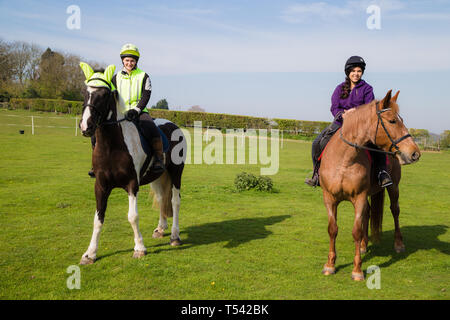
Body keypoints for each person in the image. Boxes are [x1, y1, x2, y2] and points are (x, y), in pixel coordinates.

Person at [305, 56, 393, 188]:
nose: (356, 74)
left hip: (361, 127)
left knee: (376, 145)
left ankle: (382, 172)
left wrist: (355, 112)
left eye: (359, 71)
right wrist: (343, 115)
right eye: (353, 71)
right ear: (348, 72)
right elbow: (334, 107)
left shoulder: (367, 89)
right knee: (317, 142)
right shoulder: (339, 88)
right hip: (341, 123)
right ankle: (317, 174)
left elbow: (369, 108)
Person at [88, 43, 164, 177]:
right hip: (120, 112)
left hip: (138, 112)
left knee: (152, 128)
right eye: (127, 60)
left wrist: (136, 110)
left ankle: (158, 159)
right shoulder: (115, 78)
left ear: (136, 62)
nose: (129, 63)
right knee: (96, 131)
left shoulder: (144, 76)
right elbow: (109, 96)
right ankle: (96, 164)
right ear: (123, 60)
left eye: (132, 60)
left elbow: (146, 96)